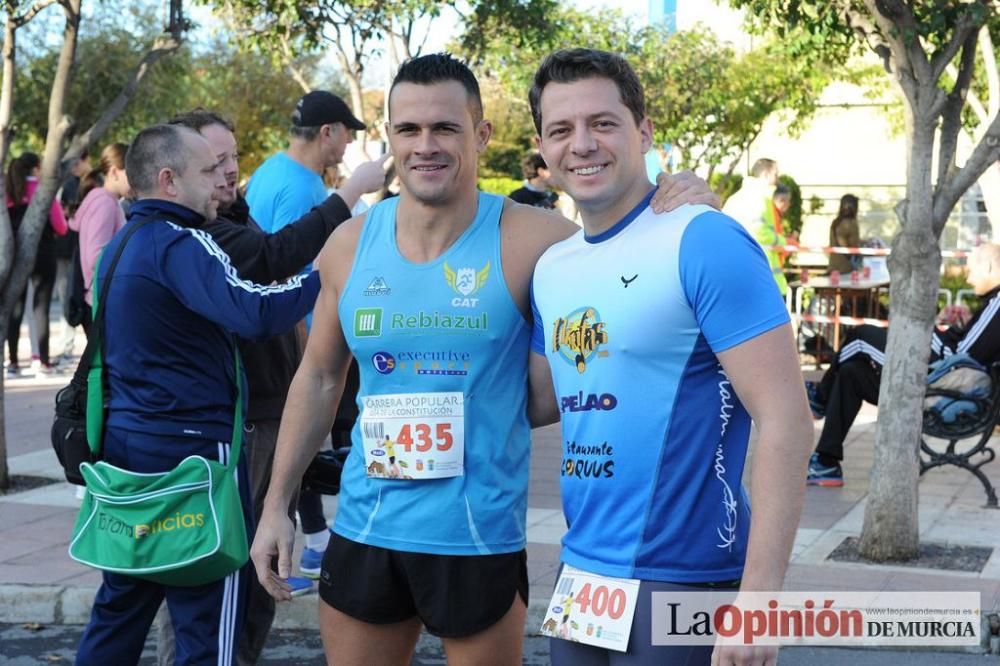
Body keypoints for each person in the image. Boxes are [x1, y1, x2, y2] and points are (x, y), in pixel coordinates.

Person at [249, 53, 718, 665]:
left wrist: (688, 199)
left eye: (445, 128)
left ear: (481, 134)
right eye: (408, 130)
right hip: (366, 530)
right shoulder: (349, 244)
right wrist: (275, 506)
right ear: (389, 137)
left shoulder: (538, 240)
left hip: (476, 538)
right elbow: (318, 377)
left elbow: (637, 267)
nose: (426, 145)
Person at [527, 48, 814, 665]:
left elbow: (787, 419)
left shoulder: (702, 237)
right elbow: (539, 401)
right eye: (561, 129)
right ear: (543, 150)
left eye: (603, 123)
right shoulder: (552, 268)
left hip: (686, 578)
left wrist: (761, 598)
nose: (582, 144)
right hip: (581, 576)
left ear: (644, 132)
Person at [74, 123, 321, 666]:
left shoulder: (124, 243)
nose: (222, 181)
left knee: (120, 610)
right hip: (193, 468)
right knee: (211, 629)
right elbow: (256, 310)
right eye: (207, 170)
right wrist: (326, 276)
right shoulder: (177, 243)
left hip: (130, 457)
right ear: (168, 180)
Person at [158, 108, 386, 665]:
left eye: (232, 157)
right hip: (239, 424)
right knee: (218, 580)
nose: (230, 171)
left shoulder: (230, 215)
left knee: (256, 575)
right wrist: (349, 203)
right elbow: (270, 264)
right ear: (177, 173)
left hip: (270, 412)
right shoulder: (191, 235)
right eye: (214, 162)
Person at [246, 90, 370, 578]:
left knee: (303, 448)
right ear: (328, 132)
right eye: (347, 133)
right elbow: (284, 268)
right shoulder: (303, 189)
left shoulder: (271, 171)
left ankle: (313, 541)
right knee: (299, 447)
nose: (347, 144)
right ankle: (293, 553)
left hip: (286, 339)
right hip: (299, 341)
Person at [806, 243, 1000, 486]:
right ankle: (826, 463)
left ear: (990, 267)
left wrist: (929, 334)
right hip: (940, 380)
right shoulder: (993, 302)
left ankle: (819, 399)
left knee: (860, 337)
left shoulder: (998, 302)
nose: (969, 279)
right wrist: (950, 328)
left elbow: (960, 353)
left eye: (972, 271)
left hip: (936, 380)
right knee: (852, 373)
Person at [5, 152, 68, 375]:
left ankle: (12, 362)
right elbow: (61, 227)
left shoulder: (8, 192)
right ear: (35, 169)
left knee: (16, 306)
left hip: (15, 255)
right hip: (44, 253)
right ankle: (42, 361)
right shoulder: (44, 192)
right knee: (41, 308)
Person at [69, 143, 130, 335]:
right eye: (132, 171)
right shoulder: (104, 203)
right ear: (114, 172)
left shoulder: (103, 199)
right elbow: (96, 257)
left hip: (99, 299)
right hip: (100, 301)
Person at [723, 157, 791, 296]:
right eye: (775, 174)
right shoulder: (760, 198)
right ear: (766, 174)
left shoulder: (736, 198)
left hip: (739, 273)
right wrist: (784, 242)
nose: (777, 179)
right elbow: (760, 232)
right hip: (760, 275)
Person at [54, 149, 91, 358]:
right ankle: (67, 344)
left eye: (78, 162)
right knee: (66, 296)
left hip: (82, 247)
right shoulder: (67, 185)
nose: (75, 167)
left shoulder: (95, 183)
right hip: (67, 247)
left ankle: (87, 343)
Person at [828, 193, 861, 275]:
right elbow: (852, 246)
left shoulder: (836, 222)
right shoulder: (851, 223)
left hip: (833, 267)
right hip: (846, 269)